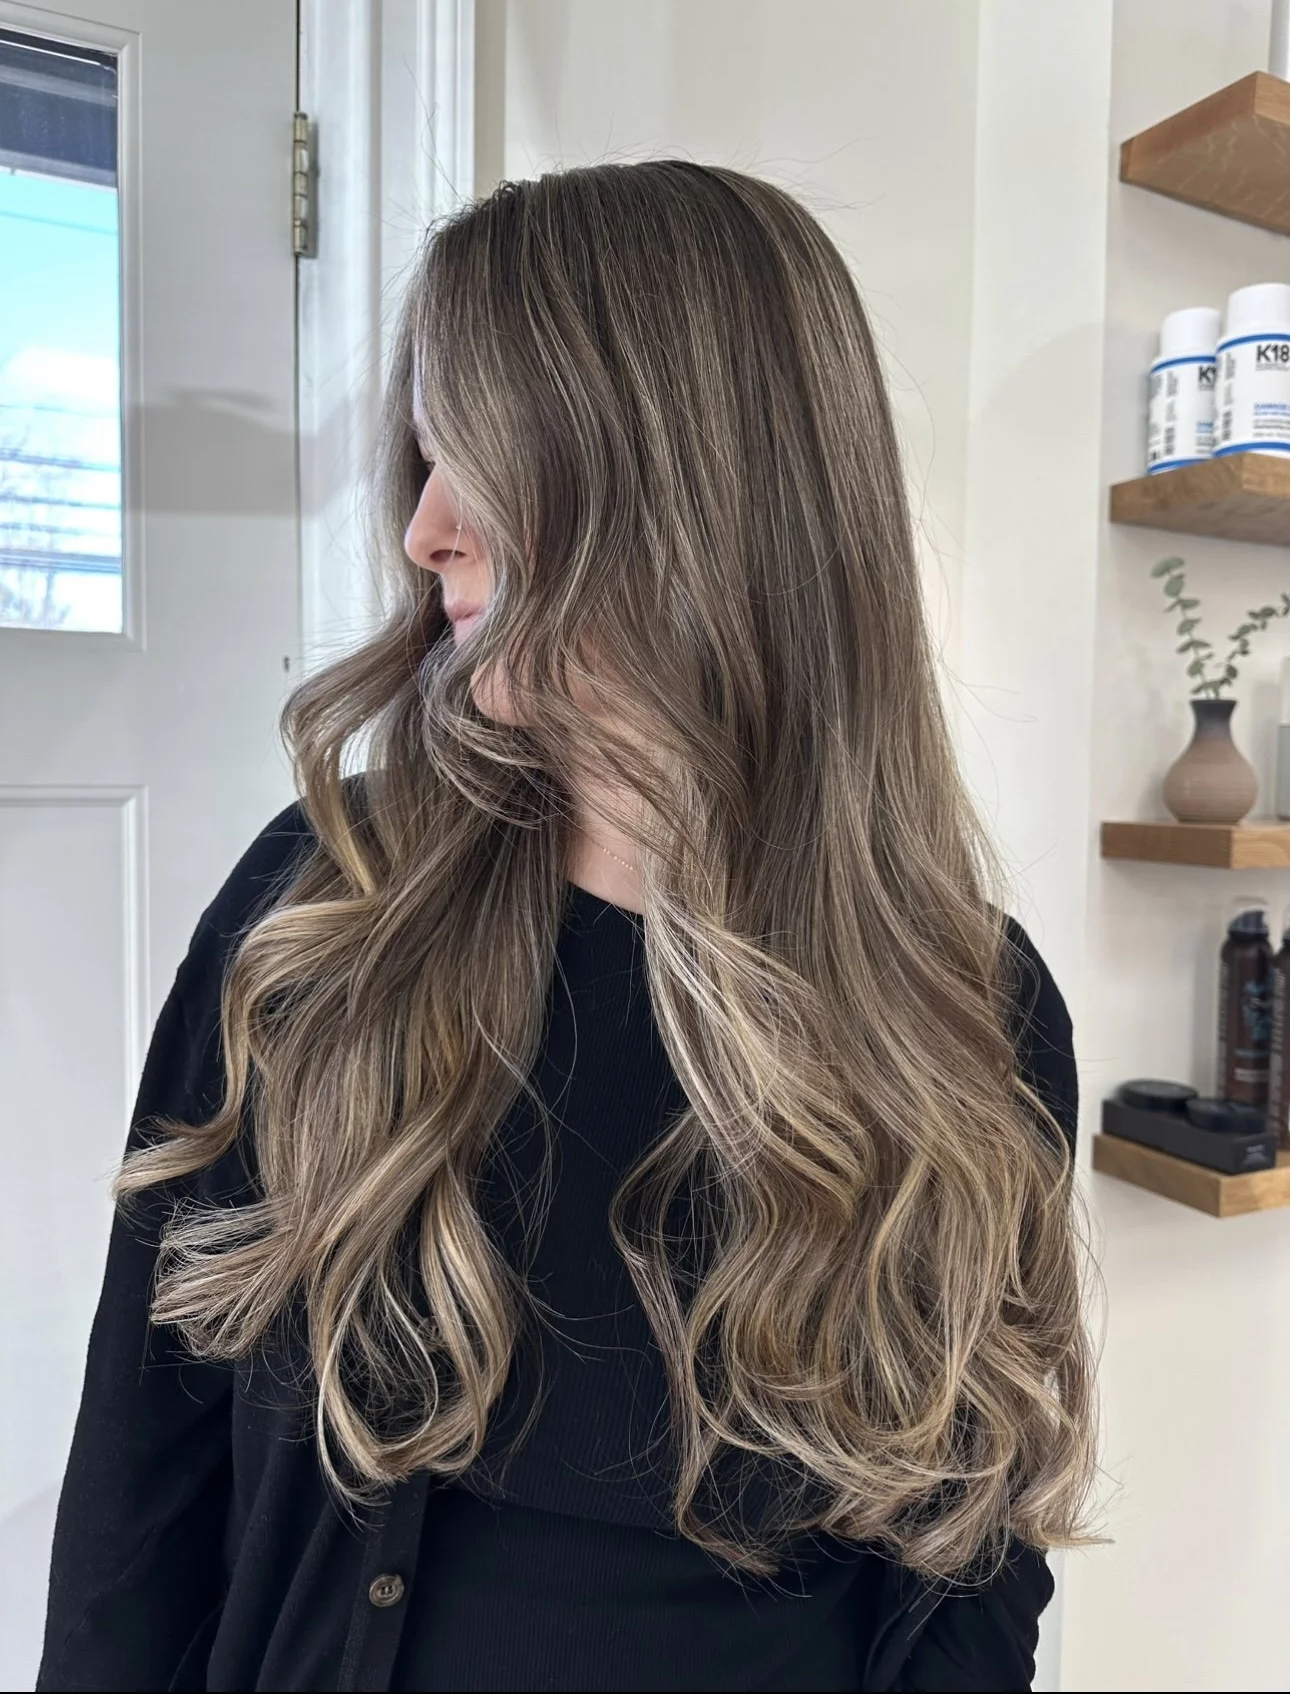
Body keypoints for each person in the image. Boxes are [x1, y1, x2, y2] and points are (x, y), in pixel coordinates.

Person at [37, 161, 1096, 1694]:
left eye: (484, 460)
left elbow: (970, 1549)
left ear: (691, 486)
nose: (426, 529)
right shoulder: (326, 907)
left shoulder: (973, 1013)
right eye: (425, 456)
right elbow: (145, 1459)